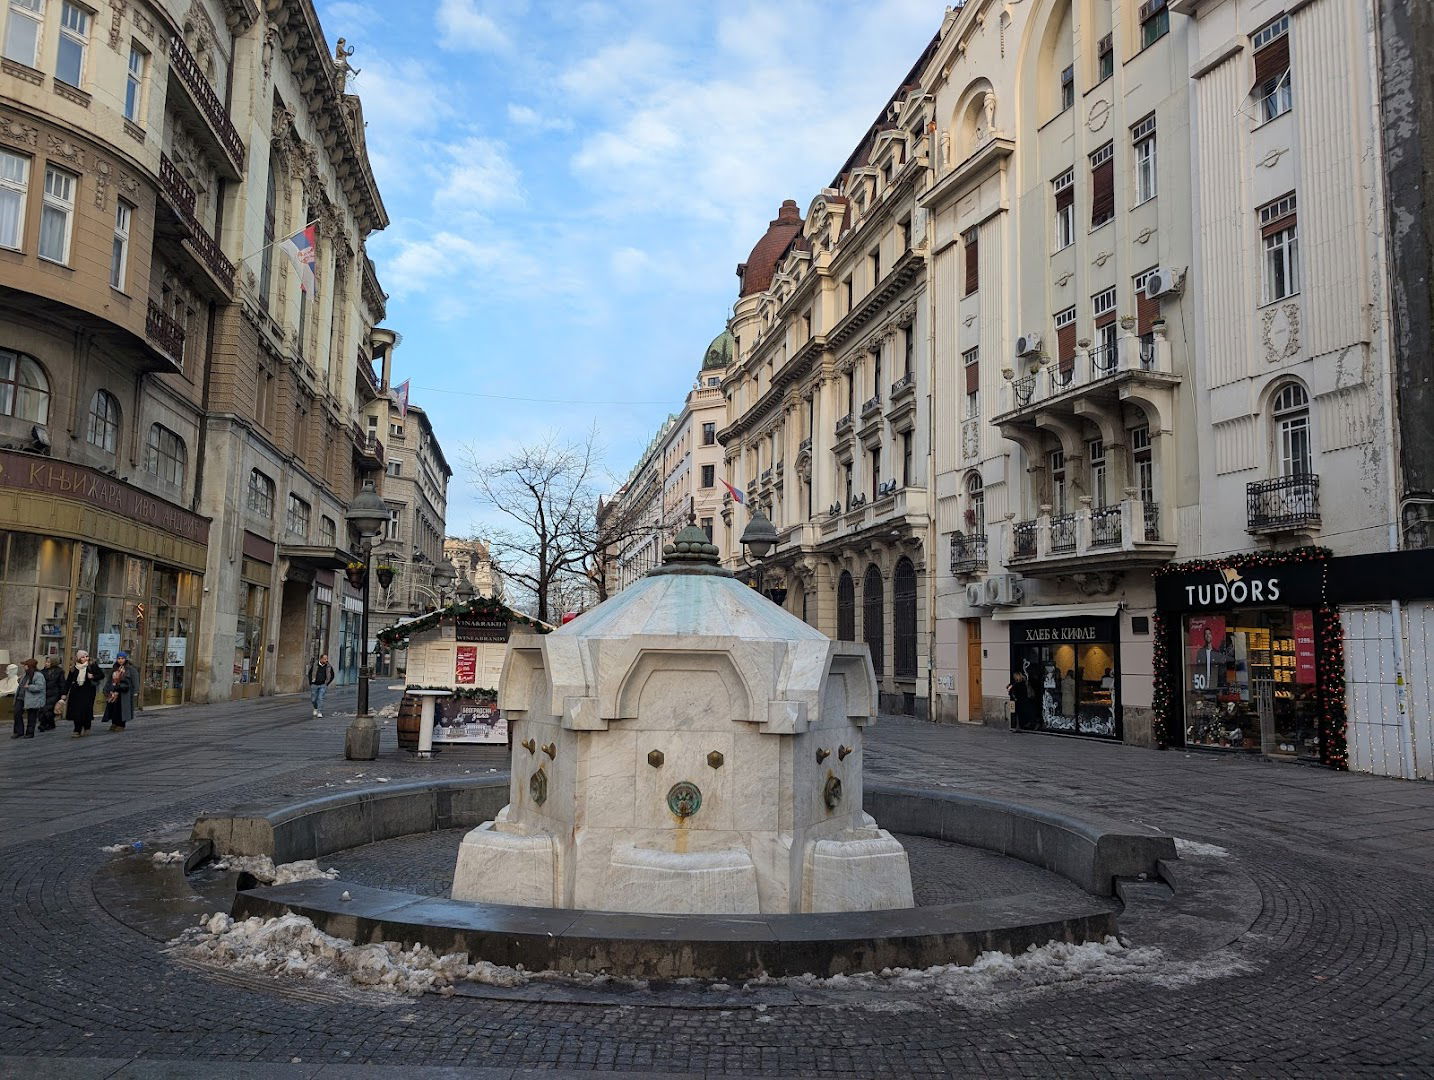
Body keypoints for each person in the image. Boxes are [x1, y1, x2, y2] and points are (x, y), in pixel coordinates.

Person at [64, 650, 105, 738]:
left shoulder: (92, 666)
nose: (85, 658)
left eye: (86, 656)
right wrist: (64, 693)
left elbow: (101, 675)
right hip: (76, 692)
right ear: (78, 658)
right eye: (83, 657)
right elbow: (68, 681)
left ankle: (87, 726)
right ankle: (77, 729)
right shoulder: (74, 668)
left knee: (86, 709)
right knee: (76, 711)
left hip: (88, 691)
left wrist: (93, 676)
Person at [13, 659, 45, 739]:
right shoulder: (25, 674)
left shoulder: (38, 675)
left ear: (29, 666)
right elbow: (22, 685)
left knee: (31, 716)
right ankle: (19, 732)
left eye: (25, 665)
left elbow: (40, 687)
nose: (24, 666)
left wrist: (29, 686)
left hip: (32, 699)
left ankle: (30, 733)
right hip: (21, 697)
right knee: (17, 713)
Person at [107, 652, 135, 732]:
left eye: (122, 658)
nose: (120, 660)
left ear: (125, 659)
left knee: (122, 709)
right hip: (114, 691)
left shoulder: (129, 668)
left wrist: (135, 690)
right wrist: (107, 689)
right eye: (119, 658)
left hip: (124, 692)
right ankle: (114, 723)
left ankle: (121, 724)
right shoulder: (114, 667)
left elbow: (134, 680)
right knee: (113, 708)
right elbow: (110, 679)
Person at [308, 653, 335, 717]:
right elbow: (310, 674)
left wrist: (327, 683)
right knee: (313, 699)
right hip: (314, 684)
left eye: (327, 659)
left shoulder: (329, 666)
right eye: (325, 659)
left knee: (320, 698)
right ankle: (316, 708)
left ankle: (319, 712)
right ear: (321, 659)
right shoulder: (315, 665)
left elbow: (332, 675)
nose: (326, 660)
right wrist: (311, 683)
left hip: (323, 685)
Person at [40, 656, 63, 732]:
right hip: (44, 693)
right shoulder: (42, 671)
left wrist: (63, 694)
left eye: (48, 662)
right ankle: (49, 723)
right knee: (43, 709)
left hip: (54, 693)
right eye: (46, 662)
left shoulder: (59, 671)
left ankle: (44, 724)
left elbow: (62, 683)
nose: (46, 663)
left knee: (47, 709)